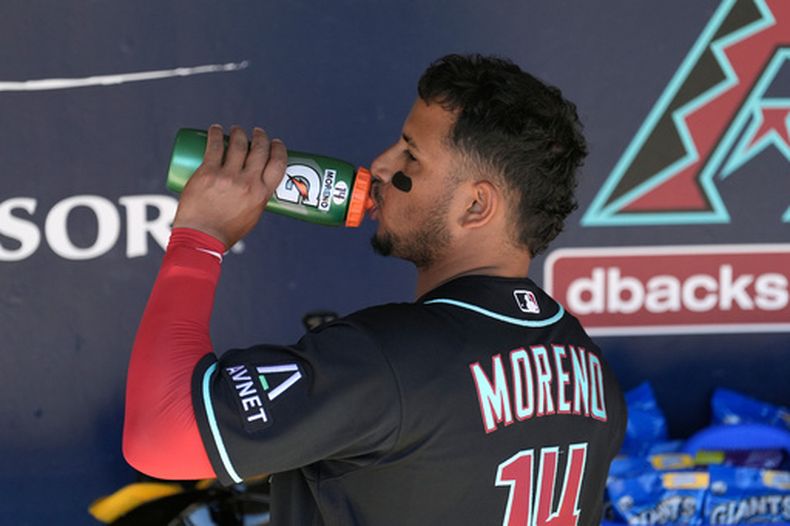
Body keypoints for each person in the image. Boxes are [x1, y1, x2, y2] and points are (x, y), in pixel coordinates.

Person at [123, 53, 626, 525]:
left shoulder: (389, 357)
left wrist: (200, 239)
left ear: (476, 206)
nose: (381, 166)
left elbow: (161, 435)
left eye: (411, 156)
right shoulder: (591, 371)